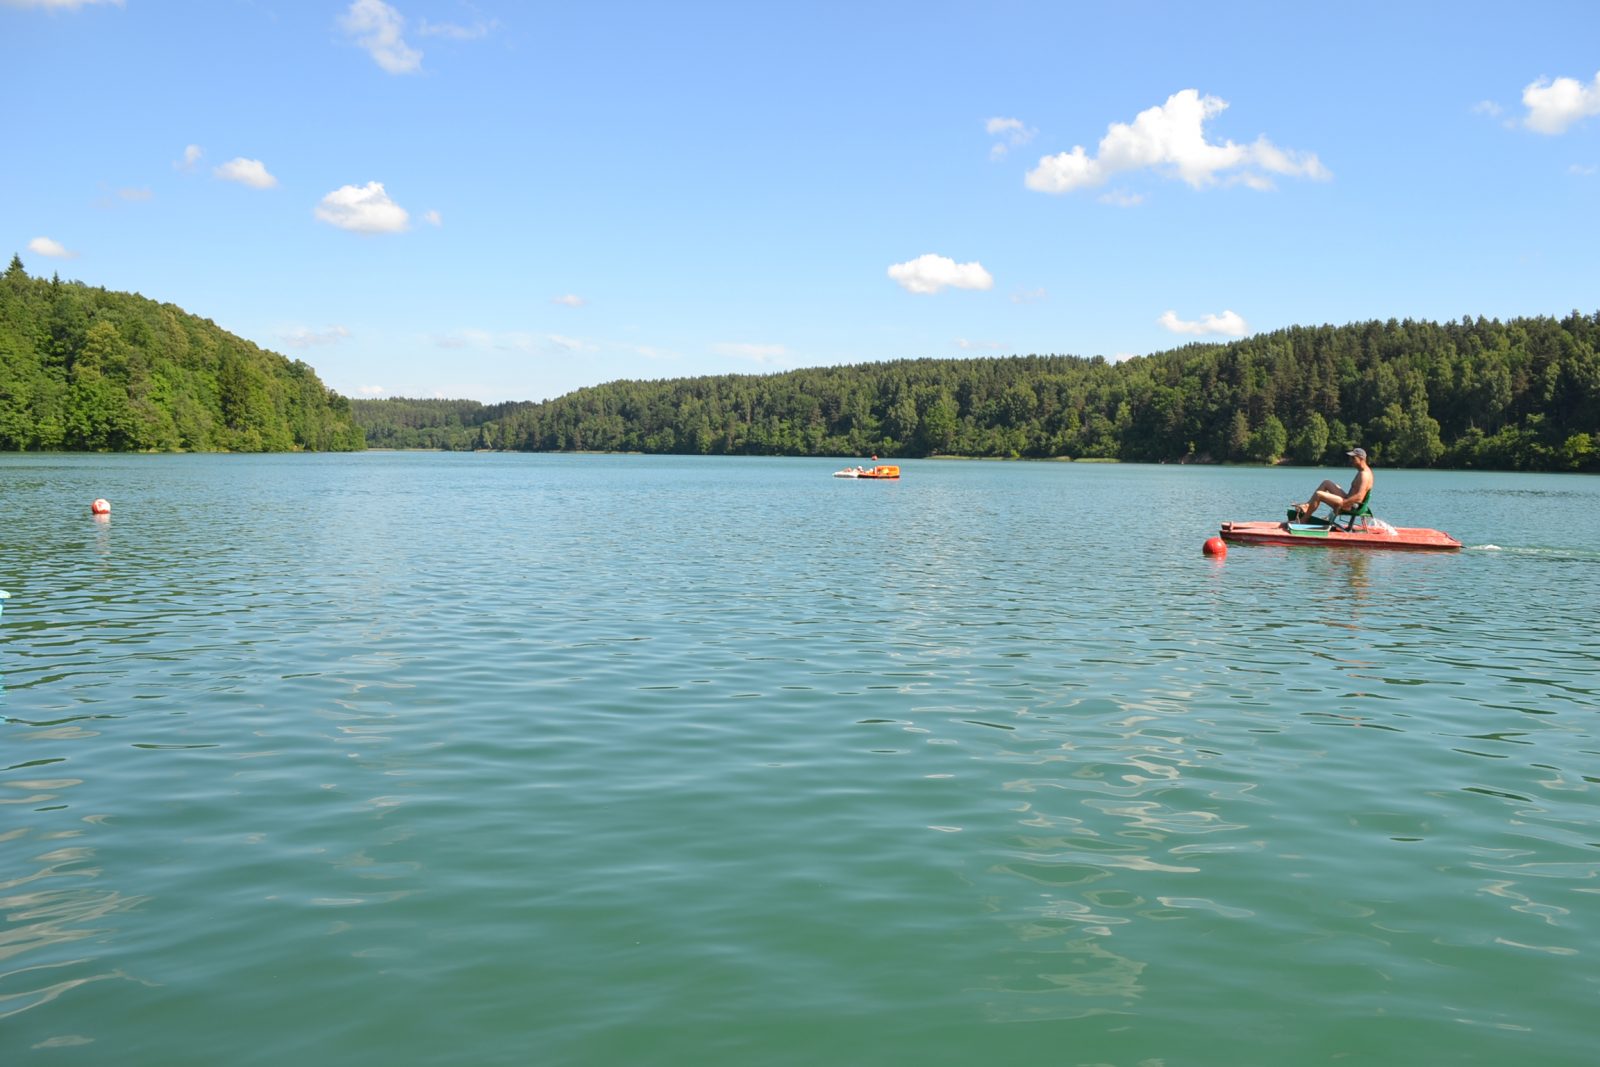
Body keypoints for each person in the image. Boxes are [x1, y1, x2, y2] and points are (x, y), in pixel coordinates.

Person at [1292, 447, 1373, 523]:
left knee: (1319, 495)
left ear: (1361, 459)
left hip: (1350, 506)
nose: (1350, 460)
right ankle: (1307, 506)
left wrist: (1343, 503)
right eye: (1350, 458)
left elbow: (1359, 497)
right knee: (1326, 482)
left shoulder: (1364, 475)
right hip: (1348, 500)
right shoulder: (1362, 471)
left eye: (1353, 458)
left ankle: (1304, 520)